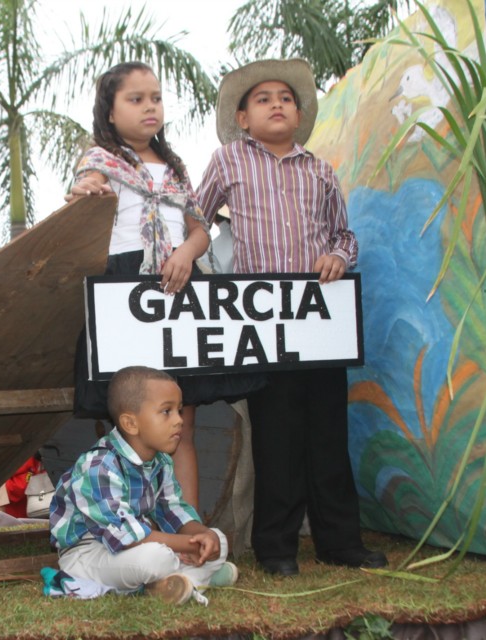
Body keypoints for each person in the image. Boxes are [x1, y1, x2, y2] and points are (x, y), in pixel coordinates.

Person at [196, 58, 386, 576]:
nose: (276, 103)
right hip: (260, 324)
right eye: (263, 98)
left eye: (285, 97)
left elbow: (343, 235)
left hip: (319, 321)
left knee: (328, 433)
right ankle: (277, 548)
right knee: (276, 436)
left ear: (299, 113)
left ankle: (340, 543)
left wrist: (339, 258)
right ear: (242, 118)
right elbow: (195, 217)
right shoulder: (228, 161)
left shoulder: (320, 171)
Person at [66, 61, 264, 510]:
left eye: (155, 98)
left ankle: (188, 526)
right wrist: (86, 189)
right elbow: (88, 184)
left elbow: (199, 229)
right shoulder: (101, 160)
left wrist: (184, 254)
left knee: (180, 421)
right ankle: (132, 523)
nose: (149, 107)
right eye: (135, 99)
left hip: (178, 291)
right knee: (129, 422)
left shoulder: (174, 168)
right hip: (124, 291)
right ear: (110, 112)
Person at [50, 366, 237, 605]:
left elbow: (174, 511)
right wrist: (188, 546)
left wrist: (202, 536)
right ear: (131, 423)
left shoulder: (161, 463)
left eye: (179, 411)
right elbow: (126, 536)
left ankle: (178, 583)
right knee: (156, 558)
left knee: (218, 541)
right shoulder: (99, 466)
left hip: (133, 549)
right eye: (166, 412)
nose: (179, 421)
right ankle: (194, 578)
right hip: (88, 554)